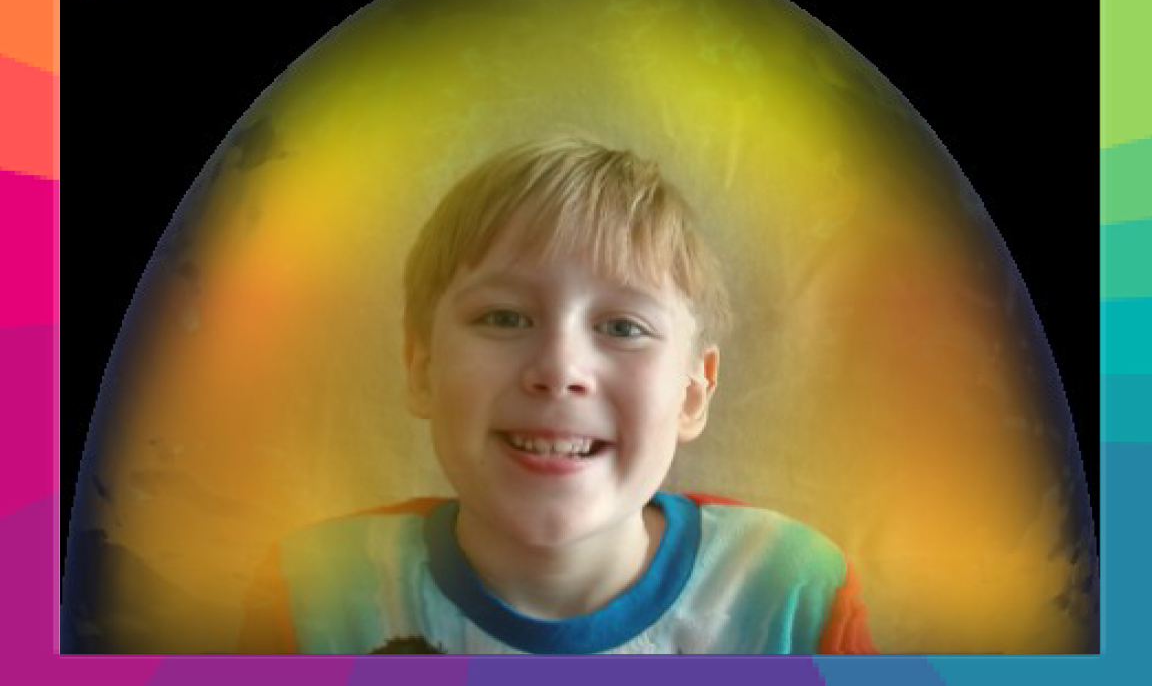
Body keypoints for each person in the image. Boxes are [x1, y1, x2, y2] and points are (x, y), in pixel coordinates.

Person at [239, 136, 877, 654]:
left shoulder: (793, 596)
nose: (559, 368)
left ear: (692, 393)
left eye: (623, 327)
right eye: (504, 318)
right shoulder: (313, 600)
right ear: (422, 366)